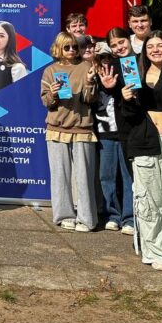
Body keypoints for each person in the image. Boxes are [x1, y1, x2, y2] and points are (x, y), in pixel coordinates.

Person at [120, 31, 162, 273]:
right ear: (144, 51)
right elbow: (127, 118)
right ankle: (155, 251)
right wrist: (125, 98)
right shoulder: (133, 76)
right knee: (149, 201)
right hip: (145, 143)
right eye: (151, 46)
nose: (156, 49)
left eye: (161, 45)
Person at [40, 31, 98, 232]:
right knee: (60, 175)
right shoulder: (50, 70)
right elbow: (46, 102)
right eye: (67, 47)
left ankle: (87, 218)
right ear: (58, 48)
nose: (72, 50)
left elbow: (91, 100)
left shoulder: (87, 67)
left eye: (75, 46)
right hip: (56, 127)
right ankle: (64, 214)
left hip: (82, 127)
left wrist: (91, 81)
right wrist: (53, 94)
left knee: (83, 176)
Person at [95, 51, 135, 235]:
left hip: (124, 134)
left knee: (127, 177)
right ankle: (113, 215)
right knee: (107, 176)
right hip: (105, 136)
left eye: (109, 65)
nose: (106, 70)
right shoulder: (94, 82)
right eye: (101, 66)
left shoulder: (124, 79)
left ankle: (129, 218)